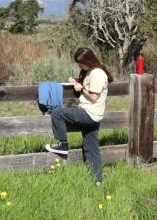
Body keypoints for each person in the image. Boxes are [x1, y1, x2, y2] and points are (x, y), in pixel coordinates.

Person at [45, 47, 114, 184]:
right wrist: (77, 83)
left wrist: (80, 88)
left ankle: (62, 145)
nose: (79, 66)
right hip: (93, 115)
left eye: (80, 63)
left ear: (88, 60)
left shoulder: (98, 74)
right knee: (91, 149)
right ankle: (98, 181)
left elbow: (93, 97)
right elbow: (89, 89)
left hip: (89, 113)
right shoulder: (90, 72)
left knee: (57, 113)